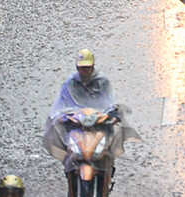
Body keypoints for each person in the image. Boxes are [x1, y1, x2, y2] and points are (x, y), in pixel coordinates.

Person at [43, 49, 134, 197]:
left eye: (87, 67)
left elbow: (110, 102)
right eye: (82, 68)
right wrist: (60, 116)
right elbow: (60, 104)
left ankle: (108, 170)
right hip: (76, 126)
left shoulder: (102, 82)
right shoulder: (70, 83)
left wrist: (113, 113)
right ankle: (71, 180)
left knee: (108, 147)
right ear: (77, 67)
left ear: (92, 66)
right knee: (69, 155)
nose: (85, 70)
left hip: (99, 125)